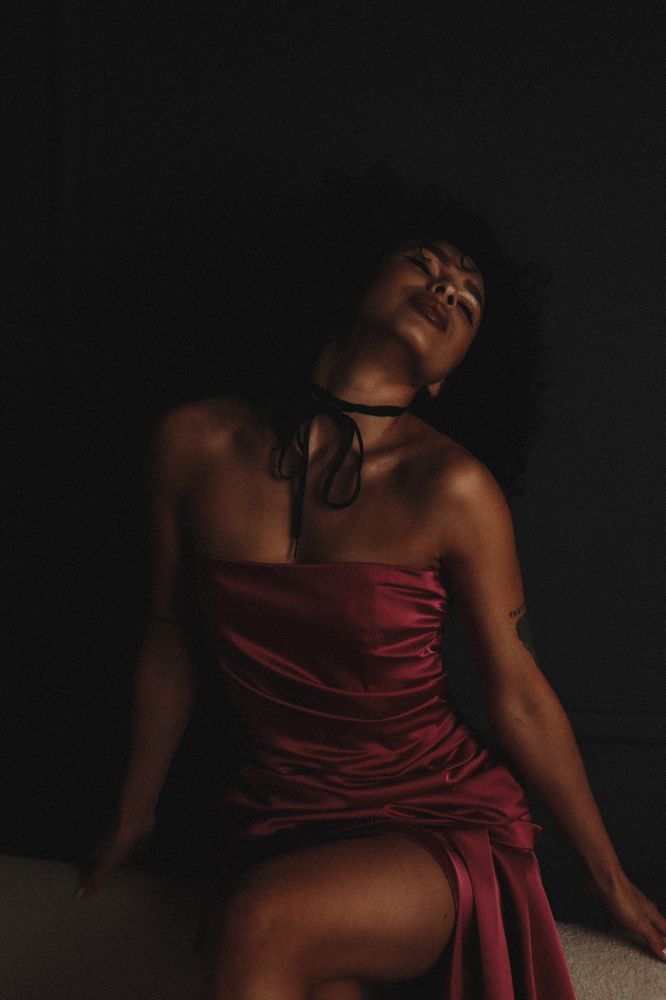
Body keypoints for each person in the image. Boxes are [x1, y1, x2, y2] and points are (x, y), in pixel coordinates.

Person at [76, 169, 666, 999]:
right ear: (354, 277)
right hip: (278, 819)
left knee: (261, 920)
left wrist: (610, 881)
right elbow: (170, 642)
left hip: (440, 820)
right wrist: (135, 814)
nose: (447, 288)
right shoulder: (192, 442)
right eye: (425, 263)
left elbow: (521, 695)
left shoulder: (453, 488)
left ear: (448, 377)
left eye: (469, 300)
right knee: (283, 938)